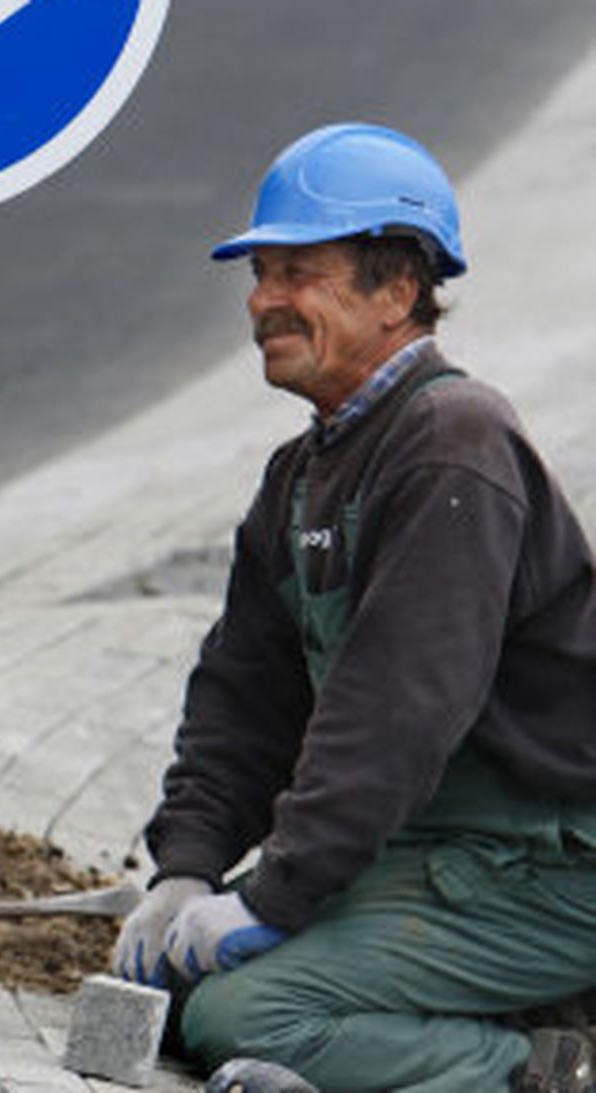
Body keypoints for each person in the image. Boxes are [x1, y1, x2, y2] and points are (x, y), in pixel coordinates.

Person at [112, 122, 596, 1093]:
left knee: (247, 1012)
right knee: (167, 985)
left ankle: (547, 1068)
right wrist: (186, 869)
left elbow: (395, 710)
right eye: (259, 275)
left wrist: (281, 892)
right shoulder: (300, 473)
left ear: (396, 290)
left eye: (298, 272)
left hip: (544, 869)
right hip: (431, 855)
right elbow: (240, 698)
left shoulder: (452, 443)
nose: (261, 301)